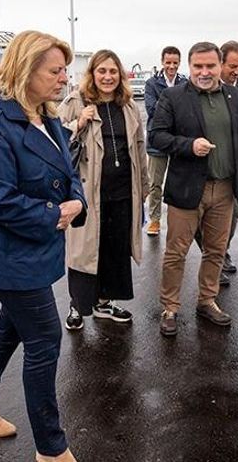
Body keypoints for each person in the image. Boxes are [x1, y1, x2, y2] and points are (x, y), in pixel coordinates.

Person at [0, 30, 84, 462]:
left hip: (34, 248)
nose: (64, 78)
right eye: (55, 70)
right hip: (6, 252)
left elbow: (70, 173)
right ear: (26, 69)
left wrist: (76, 202)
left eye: (65, 70)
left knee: (12, 326)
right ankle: (51, 448)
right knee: (45, 338)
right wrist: (55, 214)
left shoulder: (47, 118)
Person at [149, 42, 238, 337]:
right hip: (187, 189)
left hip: (224, 188)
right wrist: (188, 145)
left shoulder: (235, 97)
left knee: (216, 250)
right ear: (190, 66)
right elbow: (157, 135)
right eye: (198, 66)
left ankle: (207, 300)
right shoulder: (174, 96)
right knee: (176, 252)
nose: (204, 72)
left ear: (220, 65)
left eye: (210, 66)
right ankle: (170, 307)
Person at [58, 49, 149, 331]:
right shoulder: (76, 101)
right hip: (87, 193)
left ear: (119, 75)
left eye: (113, 72)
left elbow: (139, 147)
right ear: (92, 74)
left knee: (114, 249)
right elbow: (54, 140)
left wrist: (144, 187)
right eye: (102, 71)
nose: (107, 77)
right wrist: (78, 123)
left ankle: (104, 303)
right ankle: (78, 305)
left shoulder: (129, 106)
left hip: (123, 192)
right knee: (84, 250)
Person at [195, 41, 238, 287]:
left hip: (237, 167)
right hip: (206, 167)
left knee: (232, 214)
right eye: (233, 66)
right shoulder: (202, 87)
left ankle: (221, 252)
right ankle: (214, 255)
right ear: (220, 63)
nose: (237, 71)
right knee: (197, 220)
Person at [143, 46, 186, 237]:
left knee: (178, 182)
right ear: (162, 62)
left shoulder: (185, 82)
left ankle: (178, 221)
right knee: (155, 184)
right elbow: (152, 109)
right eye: (168, 62)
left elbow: (188, 110)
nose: (171, 66)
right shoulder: (151, 83)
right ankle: (154, 219)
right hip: (157, 141)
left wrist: (170, 107)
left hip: (178, 139)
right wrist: (174, 108)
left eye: (175, 62)